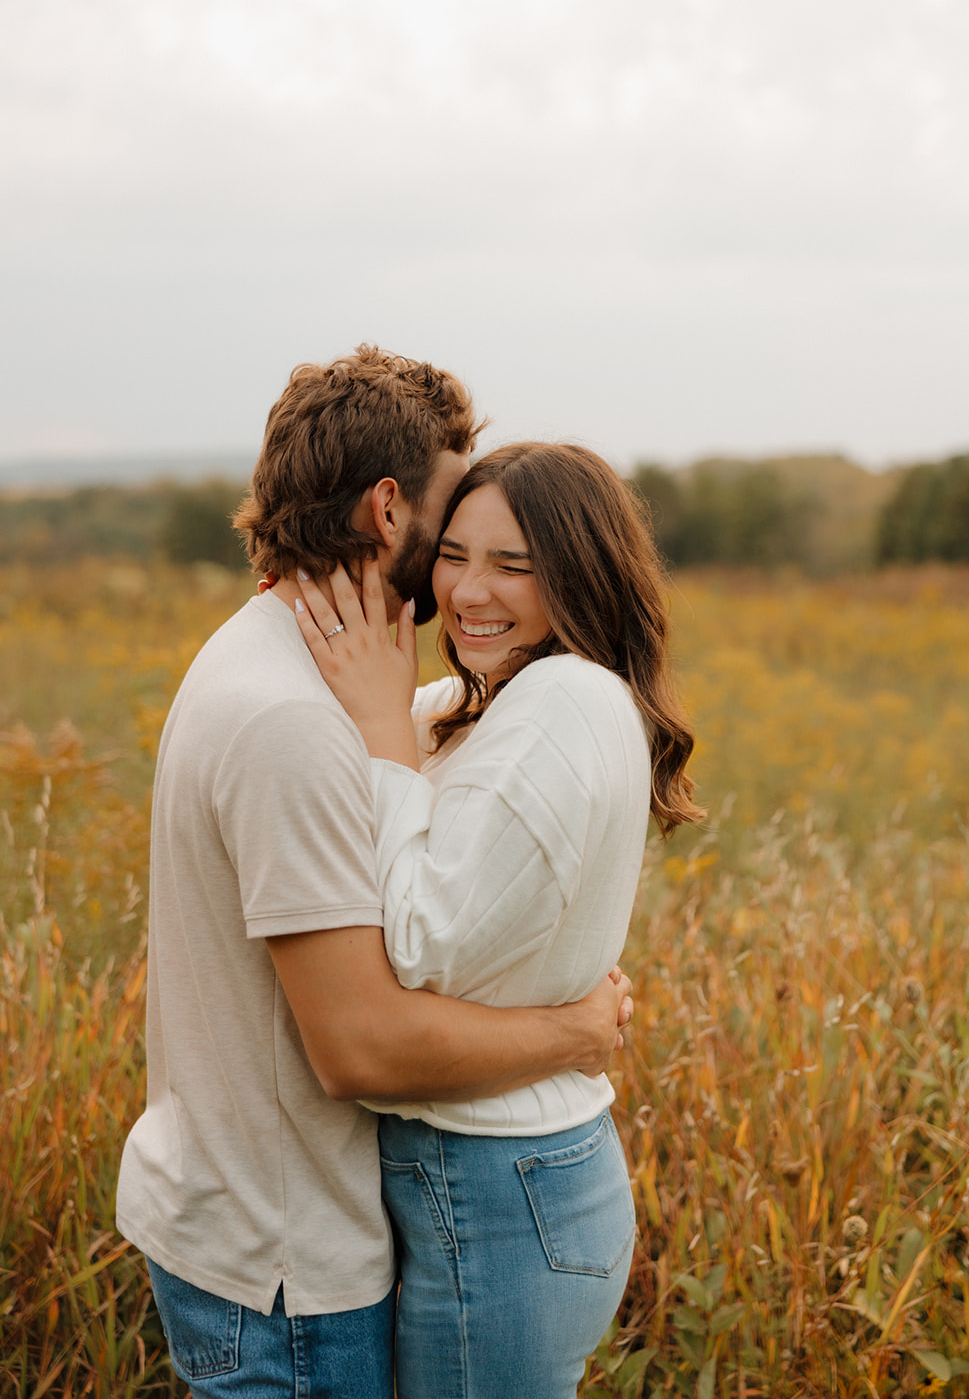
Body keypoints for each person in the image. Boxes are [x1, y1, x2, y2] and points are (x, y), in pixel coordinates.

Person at [116, 350, 633, 1399]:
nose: (461, 575)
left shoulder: (269, 658)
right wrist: (575, 1031)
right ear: (388, 510)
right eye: (448, 533)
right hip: (286, 1265)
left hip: (264, 1227)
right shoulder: (295, 722)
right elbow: (361, 1047)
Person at [295, 440, 704, 1399]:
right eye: (455, 555)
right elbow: (367, 711)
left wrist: (384, 735)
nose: (471, 591)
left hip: (493, 1183)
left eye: (514, 565)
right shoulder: (495, 699)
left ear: (581, 572)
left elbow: (417, 946)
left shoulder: (561, 699)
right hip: (502, 1178)